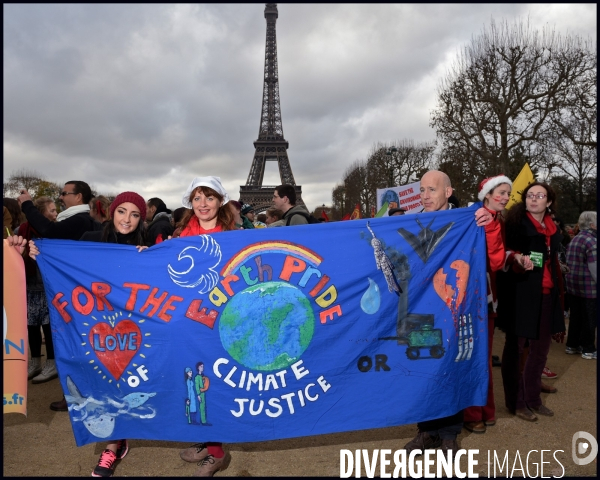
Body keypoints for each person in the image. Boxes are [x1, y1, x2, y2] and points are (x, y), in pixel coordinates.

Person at [403, 170, 492, 455]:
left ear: (448, 192)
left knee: (452, 369)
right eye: (422, 191)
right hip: (421, 310)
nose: (425, 196)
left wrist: (489, 223)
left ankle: (449, 434)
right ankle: (427, 431)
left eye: (431, 190)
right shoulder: (412, 223)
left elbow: (496, 249)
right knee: (423, 370)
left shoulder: (470, 219)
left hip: (454, 309)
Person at [17, 181, 99, 411]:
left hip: (73, 294)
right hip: (76, 293)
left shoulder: (79, 220)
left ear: (78, 196)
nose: (61, 197)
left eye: (64, 193)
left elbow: (49, 231)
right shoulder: (80, 220)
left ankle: (76, 395)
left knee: (73, 346)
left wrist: (28, 206)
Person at [175, 176, 233, 476]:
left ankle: (217, 451)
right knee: (197, 380)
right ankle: (206, 439)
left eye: (209, 197)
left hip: (222, 320)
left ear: (220, 201)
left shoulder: (234, 236)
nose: (203, 204)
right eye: (197, 198)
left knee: (217, 381)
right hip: (192, 320)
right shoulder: (180, 237)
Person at [462, 175, 529, 434]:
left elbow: (498, 259)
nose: (504, 197)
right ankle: (473, 411)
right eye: (500, 192)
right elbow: (494, 260)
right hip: (470, 298)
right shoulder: (476, 216)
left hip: (486, 297)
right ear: (487, 194)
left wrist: (514, 257)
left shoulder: (494, 218)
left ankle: (483, 410)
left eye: (507, 193)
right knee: (472, 356)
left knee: (482, 356)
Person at [499, 182, 566, 422]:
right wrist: (516, 259)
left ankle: (534, 399)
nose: (534, 199)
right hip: (520, 294)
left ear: (548, 202)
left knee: (540, 351)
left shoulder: (553, 230)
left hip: (547, 294)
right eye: (530, 195)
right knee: (516, 349)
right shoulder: (515, 225)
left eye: (540, 196)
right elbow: (501, 255)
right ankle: (516, 403)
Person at [19, 197, 59, 383]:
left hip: (48, 286)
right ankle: (35, 362)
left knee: (49, 325)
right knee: (31, 325)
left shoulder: (54, 232)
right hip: (28, 285)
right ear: (40, 213)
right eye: (51, 210)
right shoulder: (22, 230)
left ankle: (51, 363)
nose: (55, 213)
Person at [564, 211, 597, 359]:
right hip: (589, 286)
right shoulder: (592, 241)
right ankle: (588, 348)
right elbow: (595, 267)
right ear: (592, 224)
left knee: (576, 317)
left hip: (573, 285)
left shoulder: (576, 238)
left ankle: (572, 344)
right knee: (590, 318)